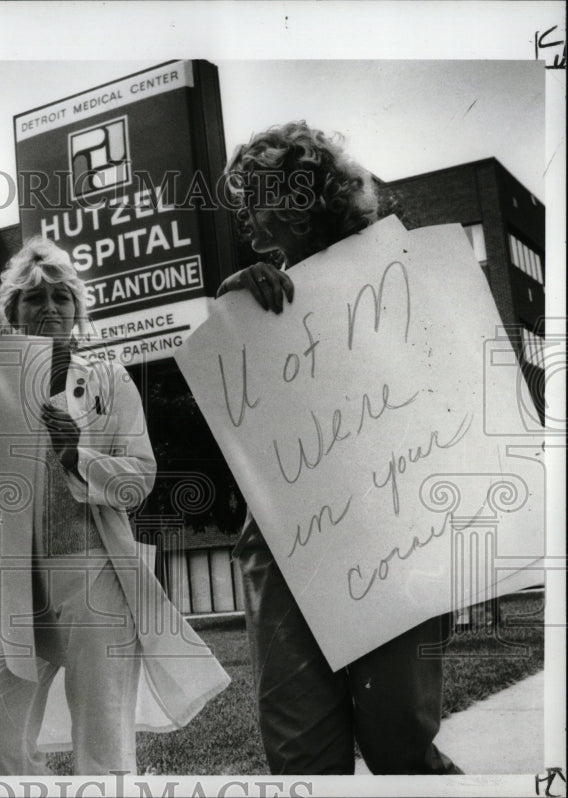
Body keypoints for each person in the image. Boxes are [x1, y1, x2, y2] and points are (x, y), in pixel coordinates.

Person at [216, 121, 462, 775]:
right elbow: (246, 433)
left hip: (395, 539)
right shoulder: (251, 300)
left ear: (299, 199)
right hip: (288, 551)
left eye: (255, 199)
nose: (245, 219)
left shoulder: (398, 275)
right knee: (300, 757)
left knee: (399, 744)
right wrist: (235, 326)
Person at [0, 236, 229, 776]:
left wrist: (75, 456)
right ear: (11, 311)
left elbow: (139, 479)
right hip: (17, 583)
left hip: (93, 576)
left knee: (103, 746)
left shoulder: (108, 379)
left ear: (77, 310)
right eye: (35, 298)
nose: (49, 308)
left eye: (62, 297)